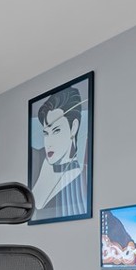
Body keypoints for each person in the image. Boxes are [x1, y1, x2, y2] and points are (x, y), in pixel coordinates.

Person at [30, 86, 88, 220]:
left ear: (73, 127)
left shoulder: (80, 180)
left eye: (56, 131)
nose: (49, 143)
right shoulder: (36, 157)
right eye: (46, 133)